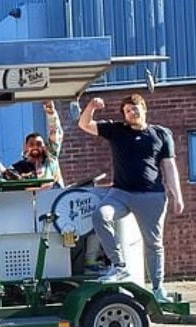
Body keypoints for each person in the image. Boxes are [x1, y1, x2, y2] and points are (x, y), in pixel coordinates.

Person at [78, 93, 185, 302]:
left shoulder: (161, 134)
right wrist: (91, 106)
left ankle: (158, 289)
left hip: (151, 195)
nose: (131, 113)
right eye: (127, 110)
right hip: (121, 193)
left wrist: (177, 196)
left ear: (144, 109)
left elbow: (169, 167)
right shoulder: (117, 130)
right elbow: (84, 124)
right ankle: (118, 266)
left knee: (154, 244)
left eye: (135, 108)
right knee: (101, 216)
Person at [8, 101, 65, 187]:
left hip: (56, 198)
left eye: (39, 144)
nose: (35, 147)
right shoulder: (18, 167)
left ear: (44, 146)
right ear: (26, 147)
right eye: (31, 144)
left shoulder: (51, 159)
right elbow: (6, 177)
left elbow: (55, 134)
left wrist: (51, 114)